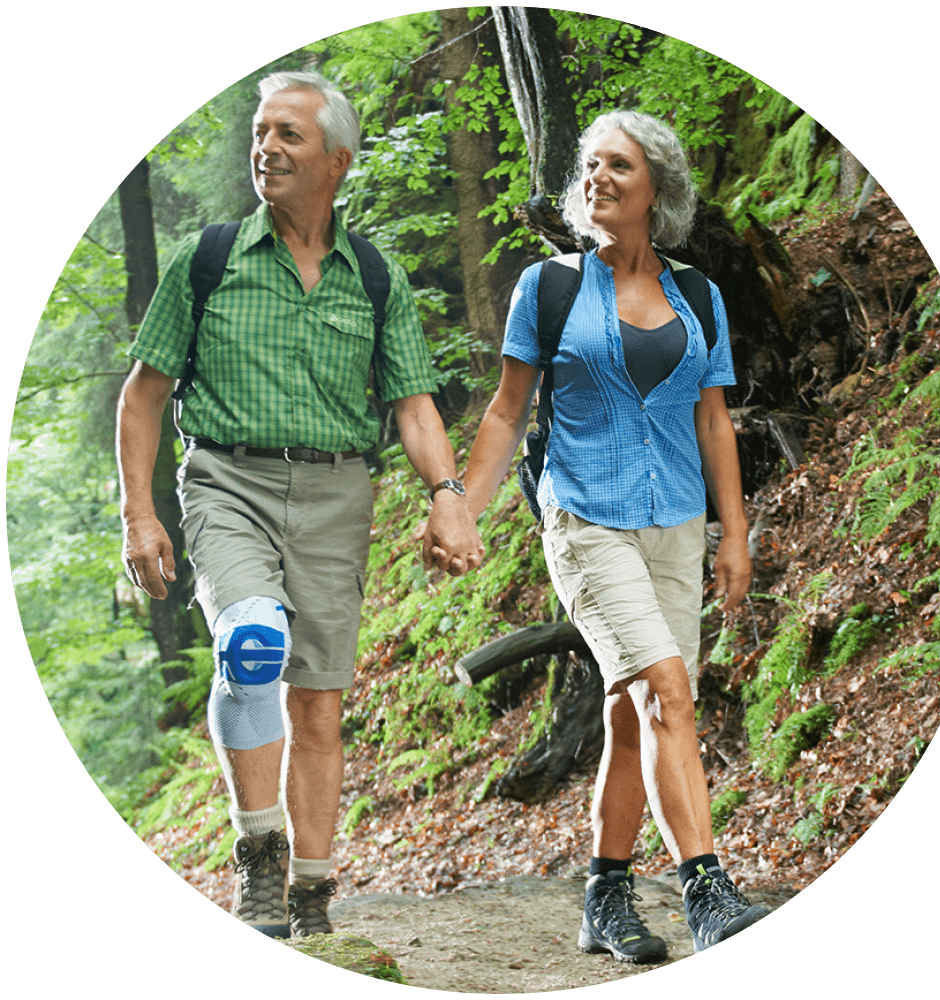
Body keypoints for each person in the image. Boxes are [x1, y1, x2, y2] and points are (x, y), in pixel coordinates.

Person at [116, 70, 483, 939]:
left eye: (289, 135)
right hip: (225, 482)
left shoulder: (376, 278)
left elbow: (413, 406)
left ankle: (314, 896)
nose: (266, 147)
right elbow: (141, 396)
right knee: (251, 644)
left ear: (337, 161)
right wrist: (138, 512)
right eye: (261, 131)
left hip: (336, 494)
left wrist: (450, 497)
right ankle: (258, 858)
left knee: (318, 700)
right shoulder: (207, 261)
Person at [453, 110, 769, 960]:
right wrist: (458, 503)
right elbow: (507, 412)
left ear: (655, 188)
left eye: (617, 166)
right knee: (667, 689)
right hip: (585, 518)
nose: (596, 178)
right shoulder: (547, 287)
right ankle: (706, 889)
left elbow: (713, 424)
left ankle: (604, 895)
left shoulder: (697, 293)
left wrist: (731, 533)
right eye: (588, 165)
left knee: (637, 718)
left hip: (675, 525)